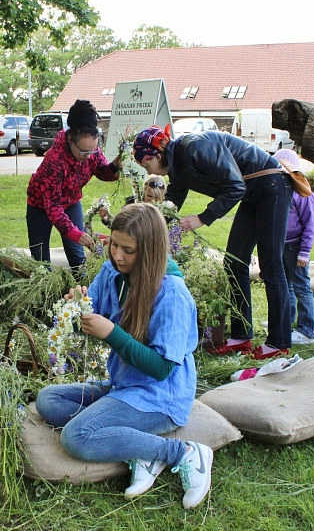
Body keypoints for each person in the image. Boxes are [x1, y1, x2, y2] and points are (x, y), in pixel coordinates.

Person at [35, 204, 213, 508]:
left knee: (76, 436)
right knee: (48, 401)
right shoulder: (112, 273)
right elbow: (93, 323)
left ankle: (183, 453)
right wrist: (77, 310)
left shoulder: (172, 294)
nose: (117, 255)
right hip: (124, 386)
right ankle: (137, 446)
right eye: (114, 244)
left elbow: (160, 369)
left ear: (150, 251)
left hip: (160, 398)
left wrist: (111, 333)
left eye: (127, 250)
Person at [133, 126, 292, 359]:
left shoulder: (195, 147)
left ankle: (279, 342)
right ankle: (241, 336)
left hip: (272, 185)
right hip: (252, 193)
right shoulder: (177, 166)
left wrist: (202, 218)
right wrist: (152, 230)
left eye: (147, 166)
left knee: (271, 266)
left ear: (156, 155)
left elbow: (235, 185)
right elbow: (172, 202)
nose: (149, 171)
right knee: (234, 262)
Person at [26, 99, 121, 268]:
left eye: (92, 150)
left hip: (71, 202)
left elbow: (102, 171)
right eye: (83, 151)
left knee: (78, 259)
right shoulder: (54, 160)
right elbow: (53, 207)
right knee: (40, 261)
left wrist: (114, 166)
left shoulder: (92, 152)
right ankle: (44, 289)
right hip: (40, 207)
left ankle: (82, 290)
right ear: (70, 139)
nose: (88, 155)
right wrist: (74, 232)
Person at [275, 149, 314, 345]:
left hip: (296, 248)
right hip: (281, 245)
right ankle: (287, 321)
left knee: (302, 287)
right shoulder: (280, 189)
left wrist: (305, 252)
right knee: (285, 285)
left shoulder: (303, 193)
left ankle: (307, 330)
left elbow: (310, 225)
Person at [99, 174, 167, 227]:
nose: (153, 200)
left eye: (157, 198)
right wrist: (106, 219)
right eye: (149, 196)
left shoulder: (166, 211)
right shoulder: (132, 204)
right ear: (144, 192)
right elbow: (120, 227)